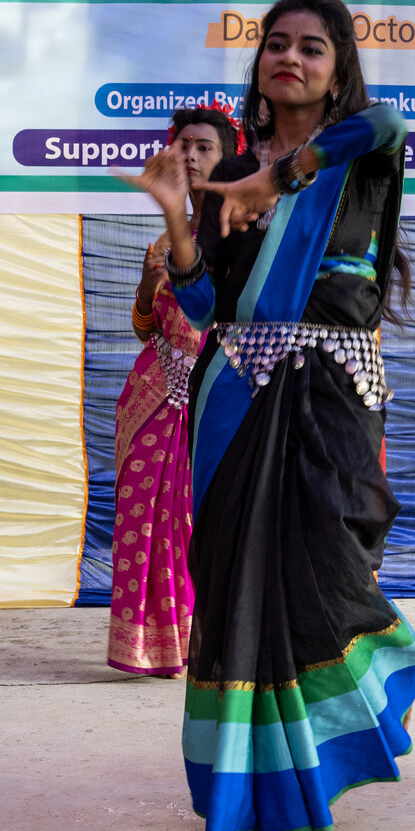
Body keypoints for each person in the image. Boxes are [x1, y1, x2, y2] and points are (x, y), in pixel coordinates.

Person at [124, 0, 415, 831]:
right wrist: (181, 216)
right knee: (237, 584)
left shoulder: (358, 157)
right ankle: (263, 787)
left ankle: (314, 765)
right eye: (276, 44)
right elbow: (208, 300)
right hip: (234, 397)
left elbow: (389, 123)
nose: (289, 57)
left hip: (331, 398)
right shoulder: (224, 183)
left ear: (337, 72)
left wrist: (279, 175)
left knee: (324, 573)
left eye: (312, 47)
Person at [107, 105, 240, 677]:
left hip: (217, 394)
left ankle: (211, 644)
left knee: (210, 523)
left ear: (231, 157)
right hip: (153, 399)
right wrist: (146, 281)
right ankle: (149, 646)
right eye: (182, 144)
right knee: (145, 522)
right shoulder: (164, 241)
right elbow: (144, 325)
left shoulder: (244, 237)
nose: (190, 155)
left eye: (204, 146)